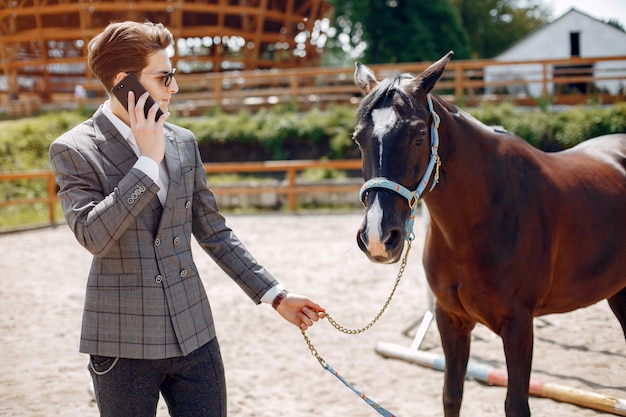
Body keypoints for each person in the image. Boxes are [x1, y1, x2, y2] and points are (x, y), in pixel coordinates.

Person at [49, 21, 325, 417]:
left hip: (195, 334)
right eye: (164, 78)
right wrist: (146, 163)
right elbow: (93, 235)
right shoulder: (73, 149)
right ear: (125, 81)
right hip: (122, 345)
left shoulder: (183, 141)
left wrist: (274, 295)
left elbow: (214, 232)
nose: (174, 87)